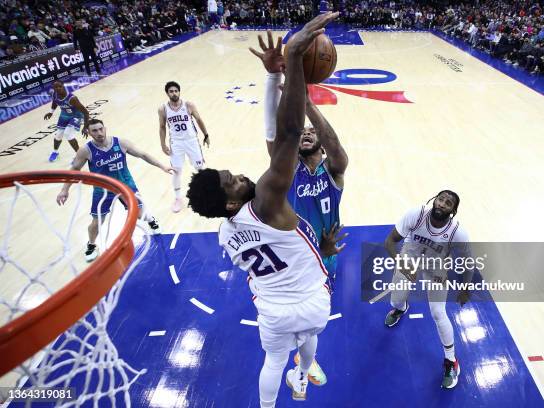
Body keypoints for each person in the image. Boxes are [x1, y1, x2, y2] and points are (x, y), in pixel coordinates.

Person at [186, 12, 340, 407]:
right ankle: (303, 377)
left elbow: (274, 141)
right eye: (232, 180)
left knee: (272, 360)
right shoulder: (267, 200)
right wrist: (291, 63)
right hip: (314, 301)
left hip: (272, 310)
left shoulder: (225, 231)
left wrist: (273, 80)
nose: (240, 175)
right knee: (308, 338)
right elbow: (286, 135)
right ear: (232, 200)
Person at [249, 30, 349, 386]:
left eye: (312, 133)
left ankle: (304, 365)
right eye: (302, 132)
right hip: (290, 257)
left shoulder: (333, 169)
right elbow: (274, 132)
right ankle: (288, 362)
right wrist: (276, 78)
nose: (306, 132)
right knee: (287, 323)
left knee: (312, 320)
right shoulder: (285, 170)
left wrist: (306, 102)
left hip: (327, 255)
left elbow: (334, 143)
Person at [383, 190, 473, 389]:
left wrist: (465, 288)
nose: (442, 204)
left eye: (448, 203)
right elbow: (389, 242)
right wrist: (402, 264)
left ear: (453, 211)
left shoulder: (458, 231)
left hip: (437, 267)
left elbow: (468, 262)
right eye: (441, 199)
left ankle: (451, 361)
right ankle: (401, 308)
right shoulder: (416, 214)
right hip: (409, 259)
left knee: (438, 312)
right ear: (434, 200)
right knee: (396, 299)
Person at [57, 119, 174, 262]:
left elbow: (143, 154)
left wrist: (162, 166)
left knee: (139, 214)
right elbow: (74, 170)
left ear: (105, 128)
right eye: (94, 130)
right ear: (88, 132)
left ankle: (151, 220)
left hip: (125, 185)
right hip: (103, 190)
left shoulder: (121, 143)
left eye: (101, 129)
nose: (99, 133)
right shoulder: (85, 150)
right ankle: (92, 245)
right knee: (97, 221)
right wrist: (64, 190)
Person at [158, 81, 210, 212]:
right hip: (176, 143)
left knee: (199, 167)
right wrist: (163, 144)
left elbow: (199, 120)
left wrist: (206, 134)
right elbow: (162, 127)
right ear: (167, 93)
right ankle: (177, 198)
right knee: (176, 170)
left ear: (179, 92)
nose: (174, 93)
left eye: (176, 91)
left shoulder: (188, 105)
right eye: (171, 91)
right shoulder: (163, 108)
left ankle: (205, 193)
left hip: (191, 140)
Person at [44, 81, 90, 162]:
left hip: (77, 116)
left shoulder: (72, 98)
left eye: (60, 86)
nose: (58, 88)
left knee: (68, 134)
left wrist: (85, 127)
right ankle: (55, 152)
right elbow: (55, 102)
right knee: (58, 135)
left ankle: (80, 156)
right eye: (56, 87)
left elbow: (86, 112)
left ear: (63, 86)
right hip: (64, 115)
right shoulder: (55, 94)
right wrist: (51, 112)